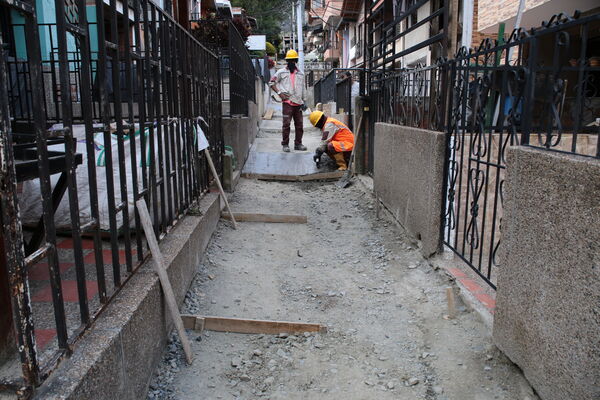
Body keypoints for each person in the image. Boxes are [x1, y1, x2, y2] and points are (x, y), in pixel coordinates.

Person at [269, 50, 307, 152]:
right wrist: (279, 93)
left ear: (296, 60)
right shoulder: (281, 72)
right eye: (290, 60)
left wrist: (304, 101)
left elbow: (303, 88)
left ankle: (298, 144)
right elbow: (271, 83)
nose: (292, 62)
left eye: (293, 60)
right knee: (286, 125)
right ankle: (285, 144)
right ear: (287, 61)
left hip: (298, 103)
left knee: (299, 125)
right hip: (287, 103)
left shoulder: (301, 74)